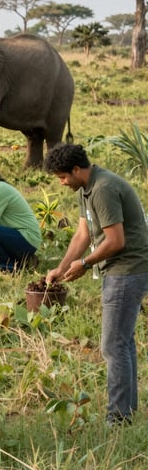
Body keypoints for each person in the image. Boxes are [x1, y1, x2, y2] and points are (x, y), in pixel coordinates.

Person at [44, 143, 148, 425]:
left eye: (63, 177)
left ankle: (118, 418)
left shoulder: (103, 189)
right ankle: (126, 412)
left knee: (113, 345)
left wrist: (86, 264)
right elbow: (83, 233)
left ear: (77, 170)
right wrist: (62, 266)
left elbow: (116, 241)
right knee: (122, 343)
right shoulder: (86, 189)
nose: (62, 183)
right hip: (118, 269)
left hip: (127, 270)